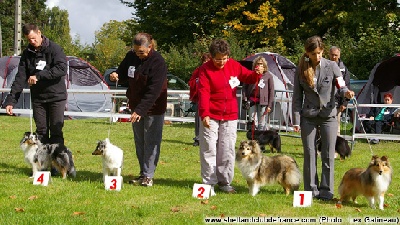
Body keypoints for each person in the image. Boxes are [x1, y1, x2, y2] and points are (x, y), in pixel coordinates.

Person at [292, 36, 354, 200]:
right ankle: (311, 190)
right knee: (310, 153)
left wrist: (346, 92)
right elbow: (297, 97)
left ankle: (326, 191)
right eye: (314, 54)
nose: (317, 57)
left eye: (320, 53)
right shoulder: (300, 70)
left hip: (329, 115)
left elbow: (341, 85)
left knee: (327, 154)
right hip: (308, 116)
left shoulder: (332, 66)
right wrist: (296, 119)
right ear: (307, 53)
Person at [197, 39, 262, 194]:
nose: (222, 62)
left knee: (227, 150)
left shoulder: (233, 65)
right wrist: (204, 114)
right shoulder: (205, 70)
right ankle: (208, 184)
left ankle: (225, 182)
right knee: (209, 149)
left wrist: (256, 74)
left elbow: (248, 77)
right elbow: (203, 92)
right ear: (211, 57)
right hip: (211, 114)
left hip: (230, 115)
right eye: (218, 59)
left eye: (224, 58)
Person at [109, 33, 167, 187]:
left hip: (153, 107)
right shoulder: (131, 56)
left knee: (151, 142)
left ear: (150, 46)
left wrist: (140, 110)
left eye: (141, 52)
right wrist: (116, 75)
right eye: (136, 51)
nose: (139, 55)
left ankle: (149, 176)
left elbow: (154, 91)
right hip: (136, 106)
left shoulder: (158, 62)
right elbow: (122, 71)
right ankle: (143, 173)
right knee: (140, 141)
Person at [5, 23, 67, 145]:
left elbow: (61, 69)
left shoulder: (54, 48)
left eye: (34, 38)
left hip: (56, 97)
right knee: (41, 132)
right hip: (38, 99)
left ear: (39, 33)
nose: (32, 41)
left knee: (56, 131)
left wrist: (39, 76)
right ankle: (43, 163)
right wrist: (11, 101)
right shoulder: (27, 54)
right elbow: (20, 78)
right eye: (29, 39)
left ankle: (57, 163)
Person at [242, 56, 274, 131]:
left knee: (261, 123)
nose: (259, 66)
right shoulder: (250, 74)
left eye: (261, 64)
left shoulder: (268, 76)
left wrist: (269, 105)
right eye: (257, 64)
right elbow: (244, 87)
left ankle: (260, 140)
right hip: (251, 100)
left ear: (264, 66)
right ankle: (253, 140)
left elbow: (271, 90)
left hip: (263, 102)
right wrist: (245, 99)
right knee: (252, 121)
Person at [188, 53, 211, 146]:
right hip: (199, 98)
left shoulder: (213, 71)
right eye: (204, 61)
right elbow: (191, 82)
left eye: (207, 61)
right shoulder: (198, 71)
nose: (205, 63)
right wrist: (197, 82)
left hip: (210, 98)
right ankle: (198, 138)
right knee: (198, 118)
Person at [329, 46, 350, 135]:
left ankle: (335, 145)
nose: (334, 57)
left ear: (339, 55)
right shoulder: (324, 65)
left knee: (336, 126)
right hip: (324, 101)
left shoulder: (344, 69)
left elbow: (347, 86)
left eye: (336, 55)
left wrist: (344, 103)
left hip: (338, 102)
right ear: (329, 54)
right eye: (332, 55)